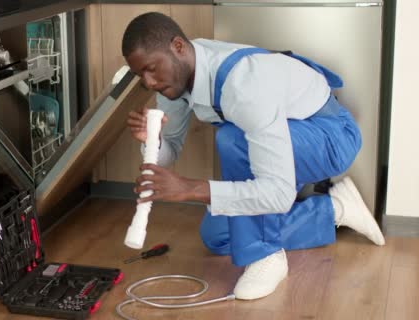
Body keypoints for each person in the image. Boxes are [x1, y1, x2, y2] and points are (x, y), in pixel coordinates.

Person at [123, 12, 385, 300]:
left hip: (331, 137)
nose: (147, 83)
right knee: (218, 236)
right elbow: (169, 150)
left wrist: (191, 189)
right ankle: (334, 209)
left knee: (233, 139)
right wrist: (154, 140)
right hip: (283, 140)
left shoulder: (244, 84)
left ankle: (266, 256)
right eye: (140, 75)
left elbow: (278, 193)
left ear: (178, 47)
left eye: (150, 69)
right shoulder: (175, 76)